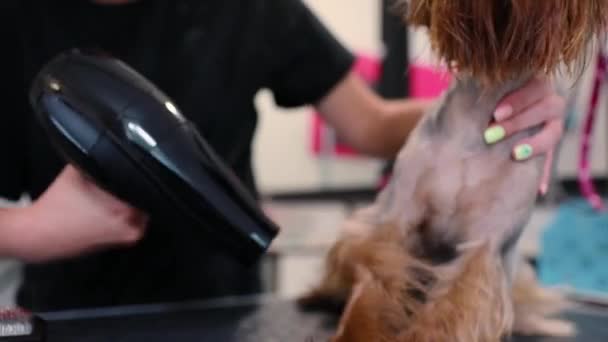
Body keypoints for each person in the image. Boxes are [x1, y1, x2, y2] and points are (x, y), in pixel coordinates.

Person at [1, 0, 565, 312]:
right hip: (64, 318)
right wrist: (29, 230)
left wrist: (497, 111)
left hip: (223, 314)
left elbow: (372, 125)